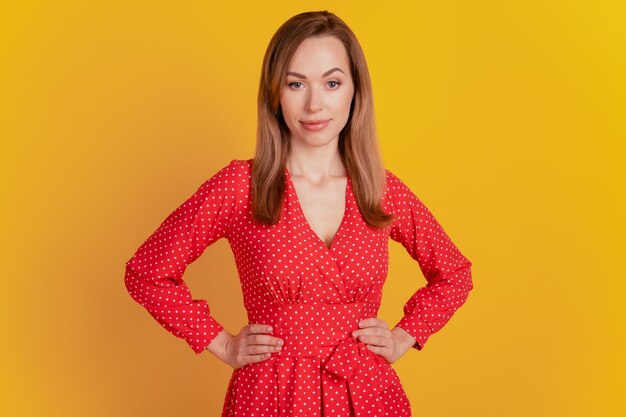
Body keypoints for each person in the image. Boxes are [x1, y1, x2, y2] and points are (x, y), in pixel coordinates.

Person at [124, 10, 474, 417]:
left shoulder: (379, 188)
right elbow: (146, 272)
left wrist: (402, 337)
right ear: (275, 92)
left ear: (354, 92)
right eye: (296, 83)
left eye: (331, 82)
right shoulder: (241, 186)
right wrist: (222, 343)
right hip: (270, 395)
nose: (314, 104)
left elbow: (455, 274)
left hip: (367, 393)